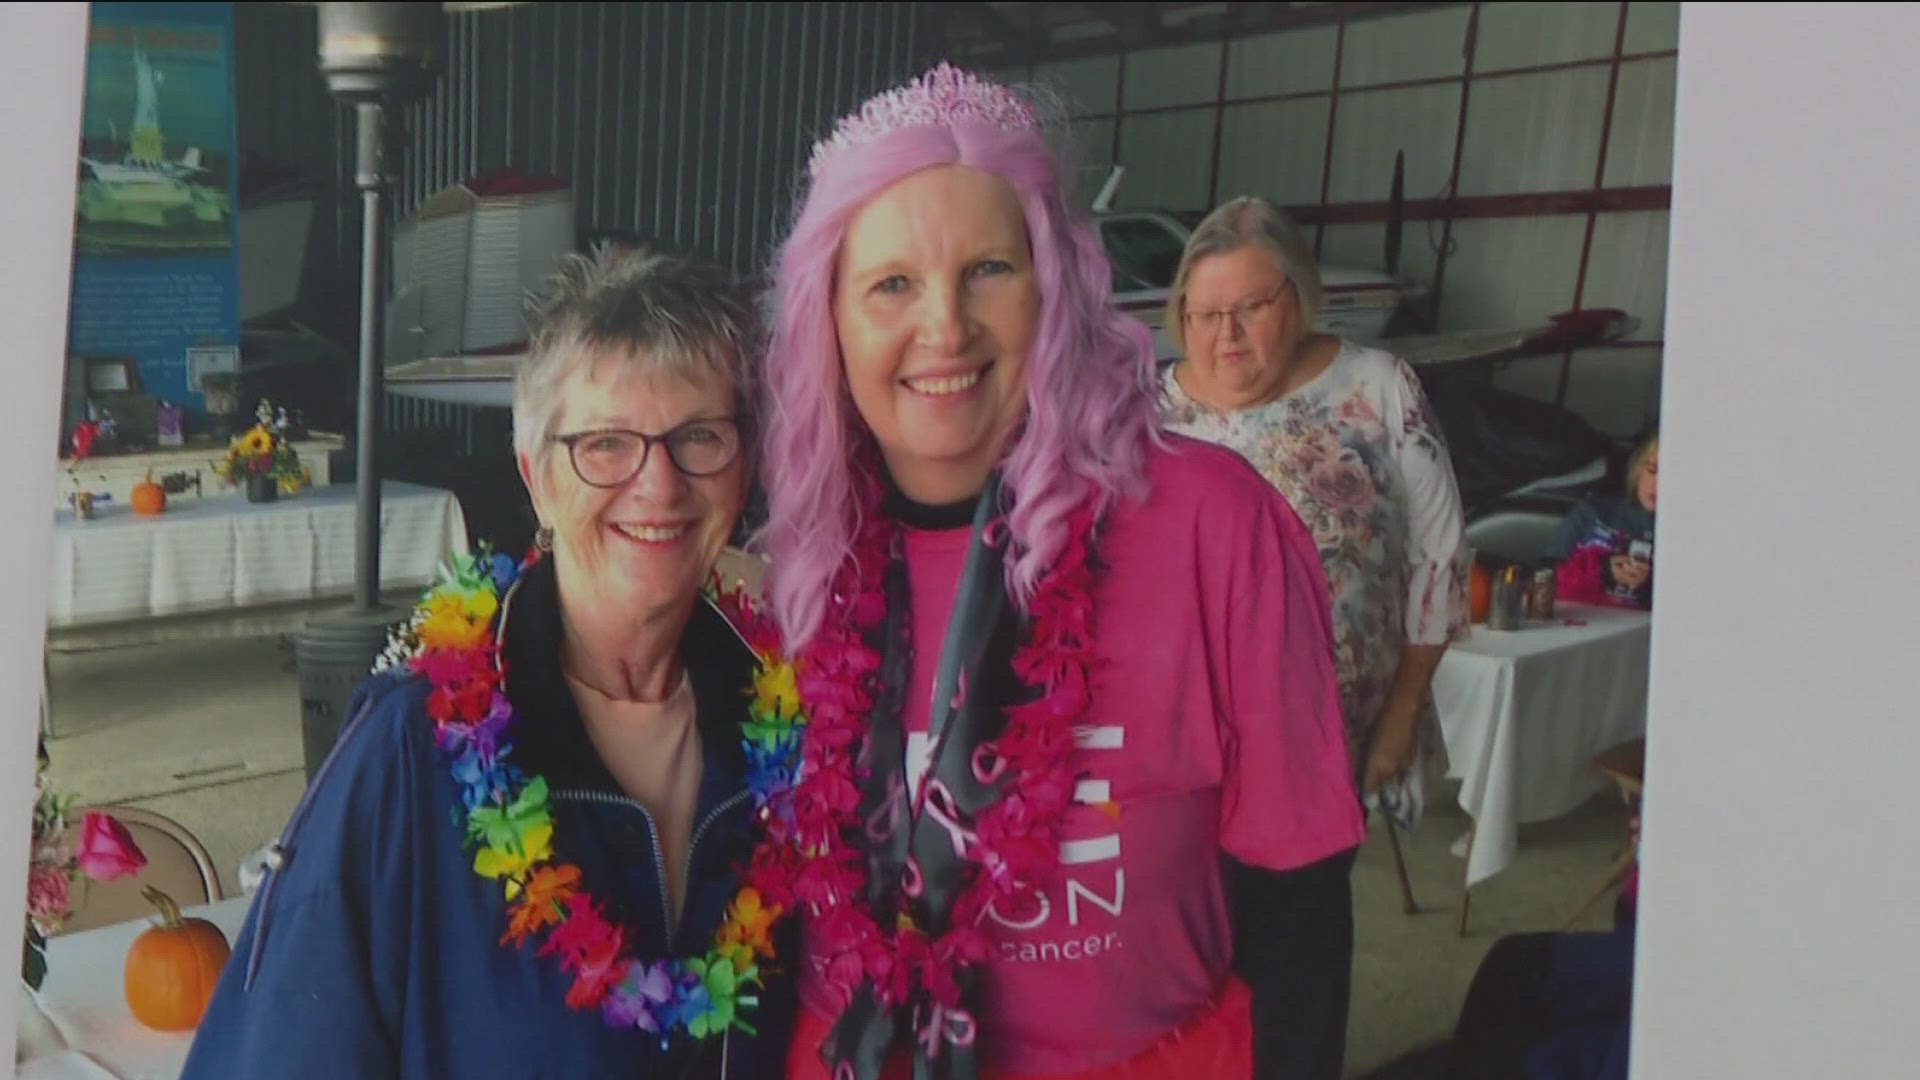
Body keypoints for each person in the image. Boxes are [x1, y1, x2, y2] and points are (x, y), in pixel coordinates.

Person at [752, 65, 1364, 1080]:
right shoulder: (791, 561)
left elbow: (1299, 898)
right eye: (892, 284)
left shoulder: (1215, 524)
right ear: (831, 318)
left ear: (1057, 282)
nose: (943, 327)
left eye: (988, 268)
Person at [182, 245, 799, 1078]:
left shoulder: (791, 742)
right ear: (537, 478)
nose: (659, 486)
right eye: (606, 444)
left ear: (744, 464)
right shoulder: (407, 750)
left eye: (699, 436)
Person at [1159, 196, 1471, 1075]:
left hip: (1318, 750)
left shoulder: (1375, 387)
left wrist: (1404, 712)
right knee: (1190, 971)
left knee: (1297, 970)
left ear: (1300, 299)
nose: (1228, 336)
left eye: (1252, 308)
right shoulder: (1146, 410)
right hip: (1184, 762)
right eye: (1206, 314)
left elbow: (1441, 554)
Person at [1551, 431, 1657, 609]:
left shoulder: (1692, 533)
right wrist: (1603, 570)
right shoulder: (1594, 510)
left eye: (1674, 475)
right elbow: (1547, 573)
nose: (1658, 483)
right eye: (1653, 470)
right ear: (1638, 469)